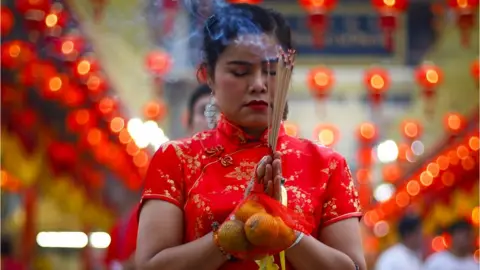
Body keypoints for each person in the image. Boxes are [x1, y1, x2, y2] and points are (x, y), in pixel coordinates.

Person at [136, 3, 365, 270]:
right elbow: (151, 266)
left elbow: (353, 267)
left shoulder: (326, 164)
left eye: (270, 71)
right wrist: (227, 236)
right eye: (240, 72)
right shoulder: (177, 159)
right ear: (208, 76)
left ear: (287, 74)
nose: (258, 83)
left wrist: (288, 235)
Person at [104, 84, 213, 269]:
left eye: (222, 114)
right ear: (187, 121)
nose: (214, 122)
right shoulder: (147, 211)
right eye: (206, 111)